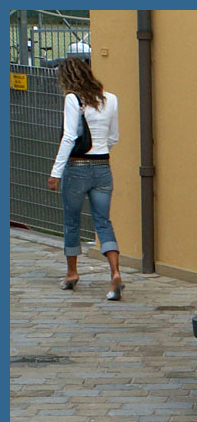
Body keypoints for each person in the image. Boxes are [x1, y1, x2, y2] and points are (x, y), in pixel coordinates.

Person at [47, 57, 124, 300]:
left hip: (77, 167)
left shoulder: (73, 99)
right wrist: (101, 148)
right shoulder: (110, 98)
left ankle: (71, 273)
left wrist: (55, 172)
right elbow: (114, 137)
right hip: (103, 166)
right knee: (103, 222)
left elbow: (69, 137)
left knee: (72, 221)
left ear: (68, 77)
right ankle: (115, 273)